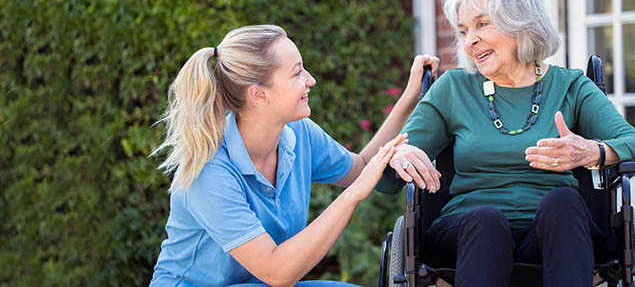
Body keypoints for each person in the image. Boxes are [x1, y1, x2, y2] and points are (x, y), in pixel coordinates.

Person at [375, 0, 635, 287]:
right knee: (486, 219)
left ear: (520, 21)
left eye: (482, 24)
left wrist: (593, 151)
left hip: (554, 236)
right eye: (464, 30)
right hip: (468, 235)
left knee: (563, 203)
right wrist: (398, 155)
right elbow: (386, 181)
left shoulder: (570, 86)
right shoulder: (454, 88)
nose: (470, 41)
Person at [149, 25, 439, 287]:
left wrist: (410, 95)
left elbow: (361, 167)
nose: (310, 80)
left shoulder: (298, 134)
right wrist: (352, 196)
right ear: (259, 95)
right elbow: (278, 272)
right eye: (297, 72)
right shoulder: (209, 170)